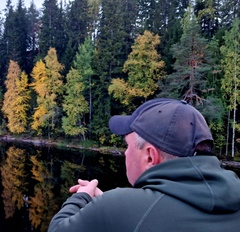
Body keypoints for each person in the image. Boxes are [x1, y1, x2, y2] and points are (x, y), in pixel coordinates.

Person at [48, 98, 240, 232]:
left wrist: (83, 197)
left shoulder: (117, 206)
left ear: (150, 157)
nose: (125, 152)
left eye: (127, 145)